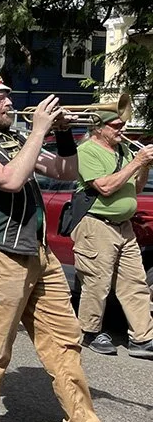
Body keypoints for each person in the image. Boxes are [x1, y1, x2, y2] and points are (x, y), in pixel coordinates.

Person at [0, 65, 134, 422]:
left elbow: (66, 171)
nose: (9, 102)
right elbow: (9, 179)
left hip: (38, 251)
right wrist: (38, 130)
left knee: (65, 339)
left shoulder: (13, 137)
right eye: (0, 97)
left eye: (8, 95)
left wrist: (61, 133)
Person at [72, 110, 153, 359]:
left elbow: (136, 188)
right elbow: (105, 187)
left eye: (123, 124)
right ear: (99, 128)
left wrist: (144, 167)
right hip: (97, 224)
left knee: (135, 282)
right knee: (97, 282)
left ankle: (143, 338)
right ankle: (90, 332)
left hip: (124, 226)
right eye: (116, 125)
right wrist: (137, 162)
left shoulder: (123, 150)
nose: (122, 129)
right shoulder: (86, 151)